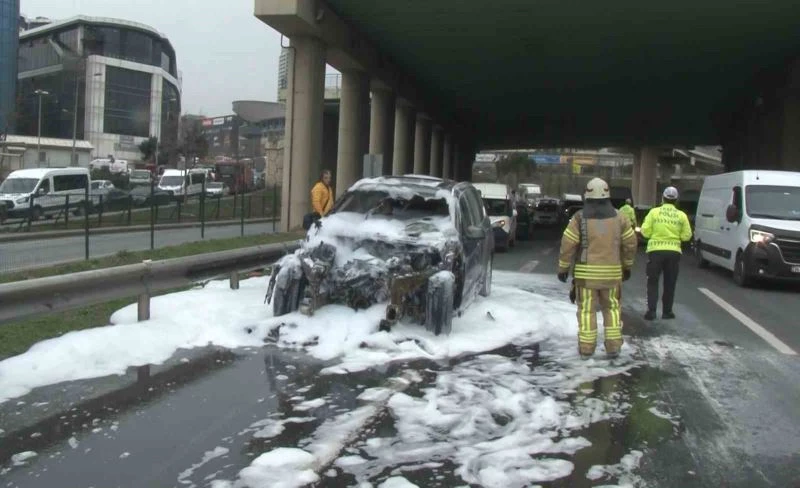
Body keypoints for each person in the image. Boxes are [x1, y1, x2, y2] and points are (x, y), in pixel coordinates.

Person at [557, 177, 638, 359]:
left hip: (586, 278)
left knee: (586, 310)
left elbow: (568, 244)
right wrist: (627, 266)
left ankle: (586, 348)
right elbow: (630, 244)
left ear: (587, 196)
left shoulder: (579, 218)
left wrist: (563, 268)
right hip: (612, 277)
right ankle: (613, 346)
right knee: (612, 309)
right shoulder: (621, 218)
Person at [640, 186, 693, 320]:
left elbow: (645, 231)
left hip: (655, 251)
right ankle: (667, 312)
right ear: (676, 200)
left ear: (662, 198)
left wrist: (655, 235)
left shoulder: (654, 212)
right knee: (670, 283)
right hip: (673, 253)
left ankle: (651, 311)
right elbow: (687, 235)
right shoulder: (681, 215)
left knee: (652, 281)